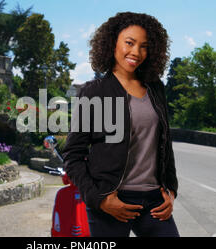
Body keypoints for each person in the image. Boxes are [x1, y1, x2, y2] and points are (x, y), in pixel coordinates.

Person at [62, 12, 179, 237]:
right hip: (111, 200)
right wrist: (99, 199)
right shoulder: (94, 92)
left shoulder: (155, 88)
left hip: (154, 200)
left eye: (144, 46)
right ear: (112, 43)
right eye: (129, 43)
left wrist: (171, 189)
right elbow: (74, 154)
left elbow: (165, 143)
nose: (136, 52)